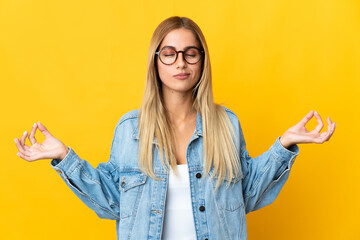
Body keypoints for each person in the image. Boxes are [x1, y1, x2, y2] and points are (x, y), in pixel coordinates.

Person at [14, 16, 336, 240]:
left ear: (202, 61)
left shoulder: (226, 124)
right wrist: (64, 156)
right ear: (156, 62)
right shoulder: (131, 129)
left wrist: (284, 145)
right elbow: (114, 203)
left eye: (190, 53)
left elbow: (246, 196)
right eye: (169, 54)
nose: (180, 62)